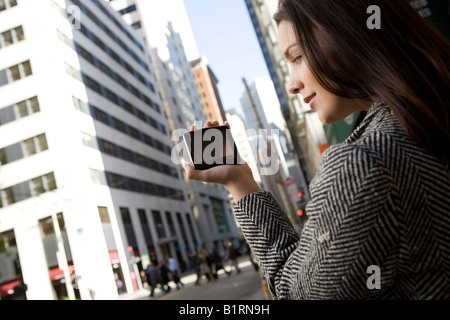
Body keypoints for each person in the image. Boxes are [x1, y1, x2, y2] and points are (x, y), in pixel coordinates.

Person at [183, 0, 450, 299]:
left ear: (349, 34)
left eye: (297, 57)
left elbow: (295, 293)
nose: (292, 85)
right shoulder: (431, 116)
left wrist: (239, 183)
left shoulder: (364, 164)